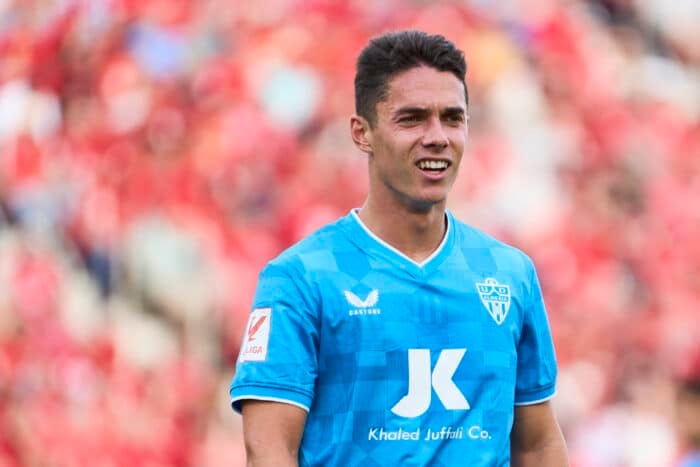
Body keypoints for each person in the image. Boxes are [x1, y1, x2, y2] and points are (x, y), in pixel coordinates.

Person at [230, 30, 568, 466]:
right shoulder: (301, 278)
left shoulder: (508, 273)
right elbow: (269, 449)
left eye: (452, 118)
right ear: (362, 133)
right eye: (412, 119)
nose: (437, 136)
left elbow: (538, 445)